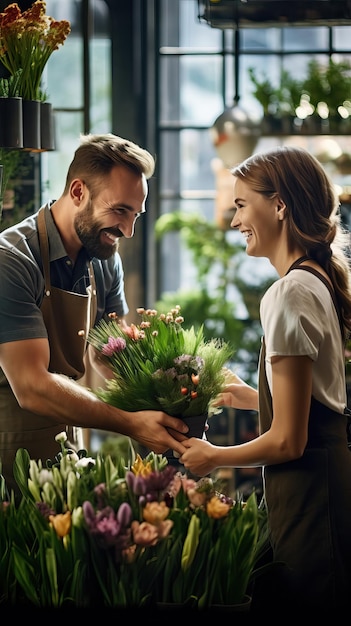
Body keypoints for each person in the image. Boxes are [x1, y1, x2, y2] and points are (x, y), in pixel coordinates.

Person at [179, 145, 351, 611]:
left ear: (279, 205)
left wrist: (214, 456)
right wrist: (255, 398)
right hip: (326, 485)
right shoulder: (316, 279)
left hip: (310, 496)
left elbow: (290, 441)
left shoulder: (288, 292)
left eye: (240, 205)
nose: (234, 221)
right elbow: (321, 406)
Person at [0, 133, 188, 496]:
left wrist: (175, 405)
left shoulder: (103, 260)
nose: (128, 231)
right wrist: (131, 423)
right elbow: (31, 387)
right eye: (119, 210)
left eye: (135, 214)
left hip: (66, 452)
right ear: (77, 192)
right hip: (9, 458)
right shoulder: (12, 261)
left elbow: (115, 356)